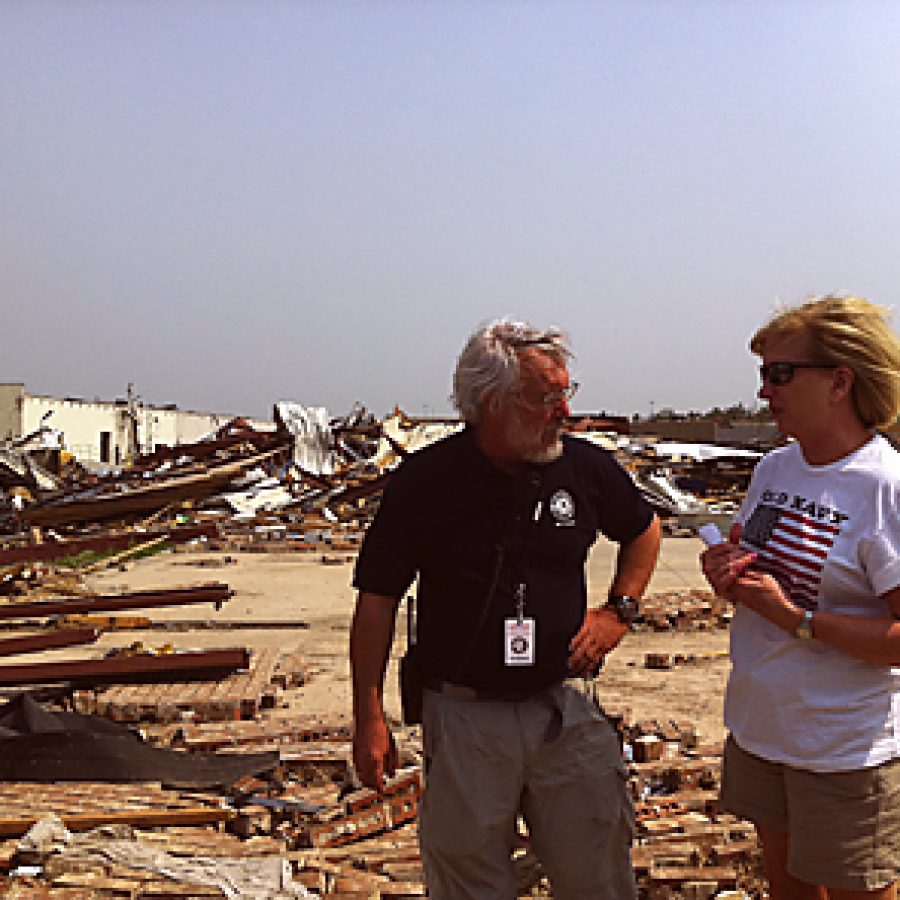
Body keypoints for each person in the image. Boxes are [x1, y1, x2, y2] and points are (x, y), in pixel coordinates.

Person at [350, 319, 660, 899]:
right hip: (465, 719)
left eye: (567, 391)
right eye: (545, 398)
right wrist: (368, 716)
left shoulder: (584, 469)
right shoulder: (425, 483)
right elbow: (377, 601)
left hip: (565, 711)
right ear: (490, 402)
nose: (563, 411)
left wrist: (619, 611)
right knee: (469, 882)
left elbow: (644, 530)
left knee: (597, 875)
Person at [701, 295, 900, 900]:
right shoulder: (776, 469)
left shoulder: (883, 488)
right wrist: (726, 571)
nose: (765, 391)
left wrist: (796, 618)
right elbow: (758, 569)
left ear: (841, 381)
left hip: (844, 748)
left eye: (780, 373)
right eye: (762, 374)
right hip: (765, 730)